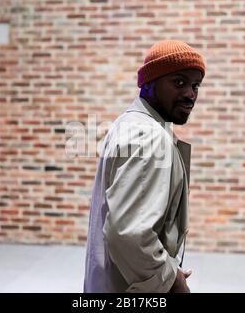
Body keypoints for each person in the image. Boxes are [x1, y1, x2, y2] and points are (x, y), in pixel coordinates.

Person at [84, 40, 206, 293]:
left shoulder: (128, 123)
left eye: (196, 85)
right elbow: (129, 233)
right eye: (179, 82)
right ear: (148, 83)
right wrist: (172, 280)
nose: (190, 94)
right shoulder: (149, 136)